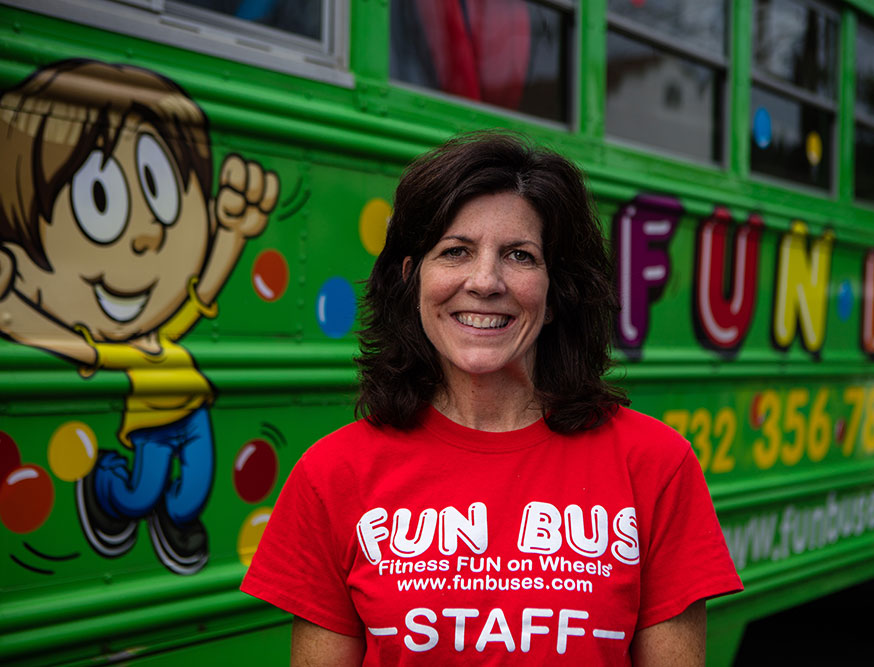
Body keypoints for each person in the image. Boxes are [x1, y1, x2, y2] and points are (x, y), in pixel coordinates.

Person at [241, 131, 742, 664]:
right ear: (413, 281)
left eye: (520, 256)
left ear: (555, 294)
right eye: (455, 251)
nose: (485, 281)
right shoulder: (333, 475)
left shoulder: (655, 466)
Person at [0, 59, 280, 574]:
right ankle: (104, 480)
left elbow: (201, 291)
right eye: (98, 202)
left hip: (193, 416)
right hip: (149, 428)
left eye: (162, 194)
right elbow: (80, 349)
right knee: (136, 494)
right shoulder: (120, 348)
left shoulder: (165, 330)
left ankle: (175, 520)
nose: (148, 234)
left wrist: (233, 234)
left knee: (188, 494)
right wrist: (15, 316)